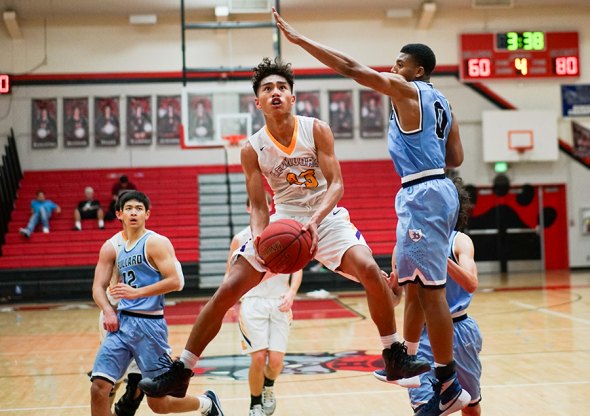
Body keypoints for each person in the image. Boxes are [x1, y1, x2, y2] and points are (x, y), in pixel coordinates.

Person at [138, 57, 430, 399]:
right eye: (267, 88)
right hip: (284, 219)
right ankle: (182, 370)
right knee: (226, 291)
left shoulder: (316, 129)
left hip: (327, 215)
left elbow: (336, 185)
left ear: (292, 97)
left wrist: (314, 222)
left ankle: (394, 355)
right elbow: (260, 206)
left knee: (367, 268)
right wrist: (260, 238)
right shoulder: (251, 148)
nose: (275, 92)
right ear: (257, 102)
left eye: (282, 87)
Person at [272, 10, 468, 415]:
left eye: (400, 63)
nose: (392, 67)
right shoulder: (443, 101)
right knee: (412, 285)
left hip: (423, 193)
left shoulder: (406, 89)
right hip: (436, 187)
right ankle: (407, 363)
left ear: (417, 70)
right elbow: (457, 156)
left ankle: (448, 385)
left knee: (431, 294)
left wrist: (300, 41)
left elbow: (350, 67)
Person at [90, 190, 224, 416]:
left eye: (138, 209)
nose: (133, 213)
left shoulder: (155, 242)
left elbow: (176, 281)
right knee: (99, 387)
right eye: (129, 209)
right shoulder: (112, 246)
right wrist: (108, 311)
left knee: (159, 404)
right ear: (119, 214)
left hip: (149, 328)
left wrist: (137, 293)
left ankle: (206, 403)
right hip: (119, 322)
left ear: (147, 214)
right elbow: (97, 286)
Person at [375, 177, 483, 415]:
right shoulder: (402, 246)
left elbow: (471, 283)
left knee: (470, 405)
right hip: (421, 337)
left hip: (459, 330)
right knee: (426, 409)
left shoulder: (459, 241)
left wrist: (438, 257)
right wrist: (388, 289)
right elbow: (397, 300)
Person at [226, 193, 303, 416]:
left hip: (280, 302)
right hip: (252, 302)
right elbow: (230, 273)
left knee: (276, 361)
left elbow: (297, 268)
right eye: (255, 204)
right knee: (258, 357)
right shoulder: (240, 238)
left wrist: (291, 292)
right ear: (249, 208)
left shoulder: (285, 233)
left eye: (265, 203)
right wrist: (229, 299)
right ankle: (255, 403)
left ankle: (268, 387)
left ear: (271, 206)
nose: (261, 207)